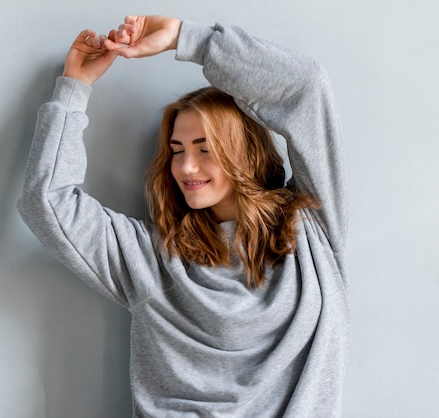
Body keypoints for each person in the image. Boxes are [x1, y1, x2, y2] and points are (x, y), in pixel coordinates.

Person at [19, 15, 348, 417]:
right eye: (177, 150)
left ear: (244, 152)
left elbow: (306, 87)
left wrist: (184, 37)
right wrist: (74, 88)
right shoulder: (154, 258)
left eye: (204, 148)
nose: (186, 167)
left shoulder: (311, 228)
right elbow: (47, 202)